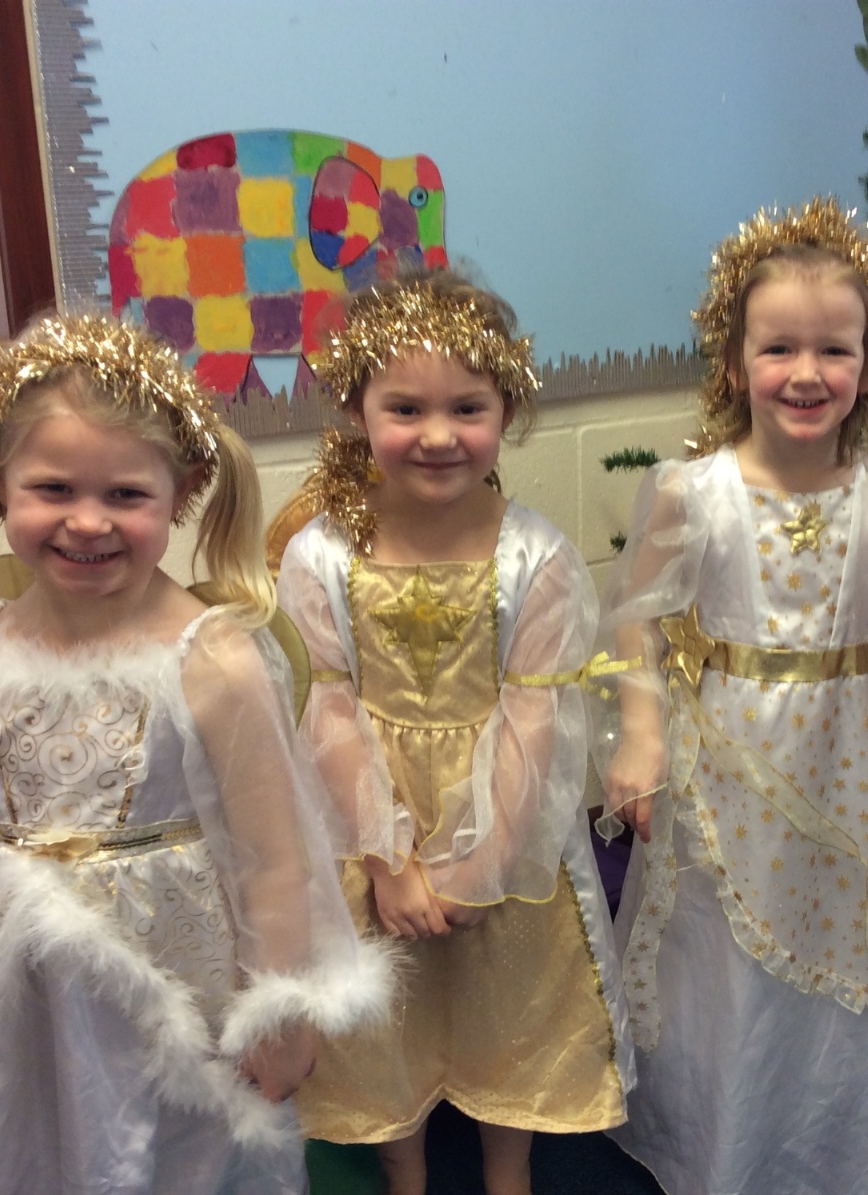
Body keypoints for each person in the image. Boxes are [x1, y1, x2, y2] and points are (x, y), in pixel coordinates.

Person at [0, 314, 394, 1195]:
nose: (87, 521)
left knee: (173, 1153)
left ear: (180, 494)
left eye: (125, 494)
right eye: (53, 488)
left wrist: (280, 1014)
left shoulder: (213, 660)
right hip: (27, 993)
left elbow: (274, 859)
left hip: (174, 981)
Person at [597, 196, 868, 1195]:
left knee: (840, 938)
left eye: (834, 349)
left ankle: (827, 1148)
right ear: (736, 360)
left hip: (845, 758)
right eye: (778, 347)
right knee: (724, 954)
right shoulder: (693, 490)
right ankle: (720, 1151)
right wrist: (640, 733)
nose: (805, 372)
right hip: (727, 762)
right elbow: (636, 620)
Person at [279, 270, 632, 1195]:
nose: (438, 435)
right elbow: (326, 712)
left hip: (502, 823)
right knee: (388, 1013)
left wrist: (481, 866)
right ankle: (407, 1169)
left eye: (467, 408)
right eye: (406, 408)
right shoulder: (321, 554)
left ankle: (507, 1168)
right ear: (356, 410)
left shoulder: (535, 555)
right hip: (372, 821)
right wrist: (388, 858)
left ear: (506, 410)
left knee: (506, 1006)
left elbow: (536, 719)